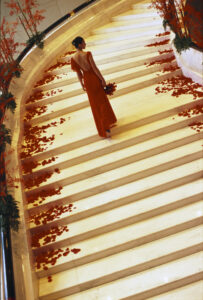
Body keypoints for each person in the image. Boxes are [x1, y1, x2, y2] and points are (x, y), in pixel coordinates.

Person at [71, 36, 117, 138]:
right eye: (83, 42)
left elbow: (79, 73)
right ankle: (106, 127)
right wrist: (102, 79)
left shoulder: (73, 58)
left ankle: (104, 127)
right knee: (102, 103)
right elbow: (95, 68)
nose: (85, 44)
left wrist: (81, 84)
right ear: (79, 44)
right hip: (94, 79)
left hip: (87, 81)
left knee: (95, 105)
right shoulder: (87, 54)